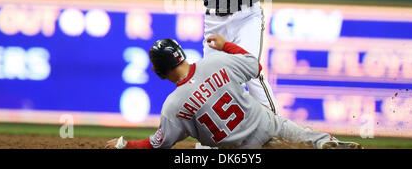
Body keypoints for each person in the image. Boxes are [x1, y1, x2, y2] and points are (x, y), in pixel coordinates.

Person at [105, 34, 361, 149]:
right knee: (302, 136)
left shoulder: (174, 106)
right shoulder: (216, 61)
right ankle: (324, 144)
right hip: (266, 125)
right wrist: (227, 45)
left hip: (239, 149)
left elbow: (157, 145)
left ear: (160, 68)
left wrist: (122, 145)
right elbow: (255, 65)